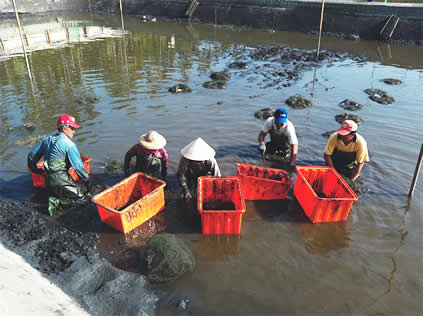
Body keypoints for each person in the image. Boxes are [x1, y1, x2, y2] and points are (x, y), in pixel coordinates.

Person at [27, 114, 90, 215]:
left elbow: (31, 156)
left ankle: (55, 199)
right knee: (82, 199)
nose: (74, 131)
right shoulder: (69, 144)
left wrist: (35, 170)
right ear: (65, 129)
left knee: (62, 192)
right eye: (73, 128)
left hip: (47, 179)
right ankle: (57, 203)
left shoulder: (47, 139)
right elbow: (78, 167)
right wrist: (87, 180)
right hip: (60, 178)